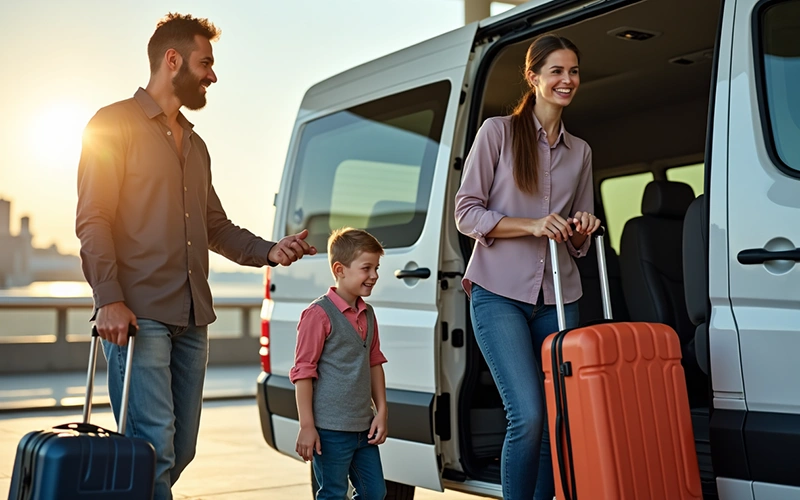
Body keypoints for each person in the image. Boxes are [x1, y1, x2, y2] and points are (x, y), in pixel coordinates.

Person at [75, 13, 316, 500]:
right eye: (205, 63)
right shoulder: (111, 124)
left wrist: (271, 250)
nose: (212, 75)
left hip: (193, 318)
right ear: (173, 60)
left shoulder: (197, 145)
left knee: (180, 449)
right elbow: (93, 219)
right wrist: (108, 298)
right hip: (139, 317)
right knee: (152, 449)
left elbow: (214, 227)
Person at [454, 33, 601, 500]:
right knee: (529, 415)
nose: (567, 80)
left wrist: (582, 226)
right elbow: (466, 212)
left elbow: (576, 242)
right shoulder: (496, 133)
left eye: (573, 71)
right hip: (497, 294)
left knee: (557, 419)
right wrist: (531, 225)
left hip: (559, 297)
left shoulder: (581, 152)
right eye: (556, 71)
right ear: (533, 77)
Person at [290, 227, 388, 500]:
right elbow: (303, 373)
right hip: (330, 430)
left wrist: (381, 411)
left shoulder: (368, 313)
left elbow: (374, 362)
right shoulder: (318, 315)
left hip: (363, 428)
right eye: (366, 268)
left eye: (377, 268)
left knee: (374, 493)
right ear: (340, 268)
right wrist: (307, 426)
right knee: (333, 493)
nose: (374, 275)